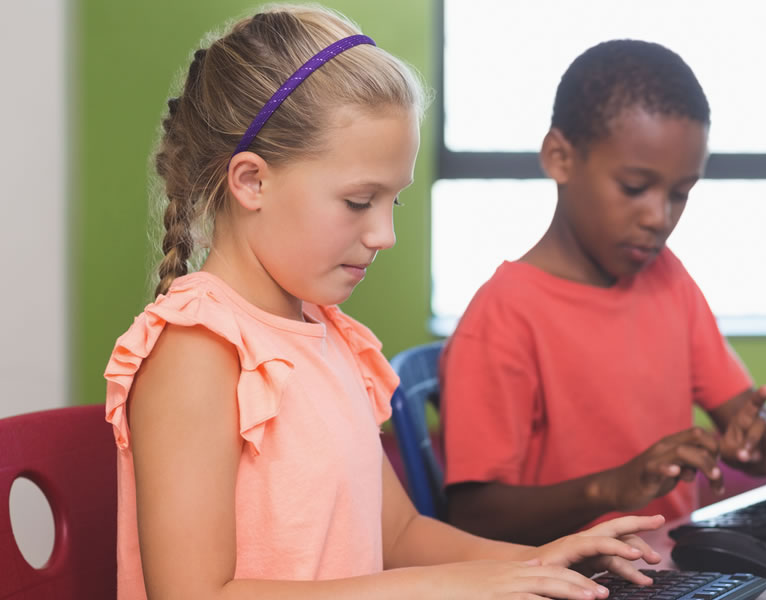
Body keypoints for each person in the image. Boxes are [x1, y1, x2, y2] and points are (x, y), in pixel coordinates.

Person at [103, 7, 663, 599]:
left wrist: (540, 561)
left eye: (391, 202)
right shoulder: (197, 350)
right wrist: (449, 589)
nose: (383, 235)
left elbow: (397, 532)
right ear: (251, 182)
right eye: (358, 200)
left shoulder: (331, 334)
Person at [439, 39, 766, 546]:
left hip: (673, 567)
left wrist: (762, 438)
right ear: (560, 158)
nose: (659, 218)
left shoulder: (668, 278)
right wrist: (607, 489)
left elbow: (740, 411)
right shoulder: (503, 317)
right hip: (571, 581)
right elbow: (473, 517)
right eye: (635, 187)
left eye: (680, 193)